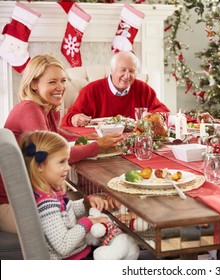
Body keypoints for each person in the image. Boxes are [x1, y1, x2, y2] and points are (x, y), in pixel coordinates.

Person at [0, 54, 122, 234]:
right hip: (14, 206)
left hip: (35, 198)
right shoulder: (29, 109)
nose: (60, 87)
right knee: (102, 218)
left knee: (100, 208)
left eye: (63, 81)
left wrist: (91, 137)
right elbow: (51, 157)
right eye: (52, 82)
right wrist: (98, 146)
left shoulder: (47, 109)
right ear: (34, 84)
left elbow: (57, 135)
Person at [19, 130, 110, 259]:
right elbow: (63, 245)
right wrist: (88, 222)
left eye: (67, 161)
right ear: (39, 165)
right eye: (62, 162)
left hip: (80, 253)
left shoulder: (49, 192)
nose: (67, 167)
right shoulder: (46, 204)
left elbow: (66, 212)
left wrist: (86, 203)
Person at [61, 51, 170, 127]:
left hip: (135, 142)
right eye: (123, 70)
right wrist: (75, 119)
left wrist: (155, 115)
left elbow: (164, 111)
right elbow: (68, 117)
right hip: (101, 143)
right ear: (112, 70)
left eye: (131, 71)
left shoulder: (143, 89)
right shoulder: (91, 90)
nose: (127, 76)